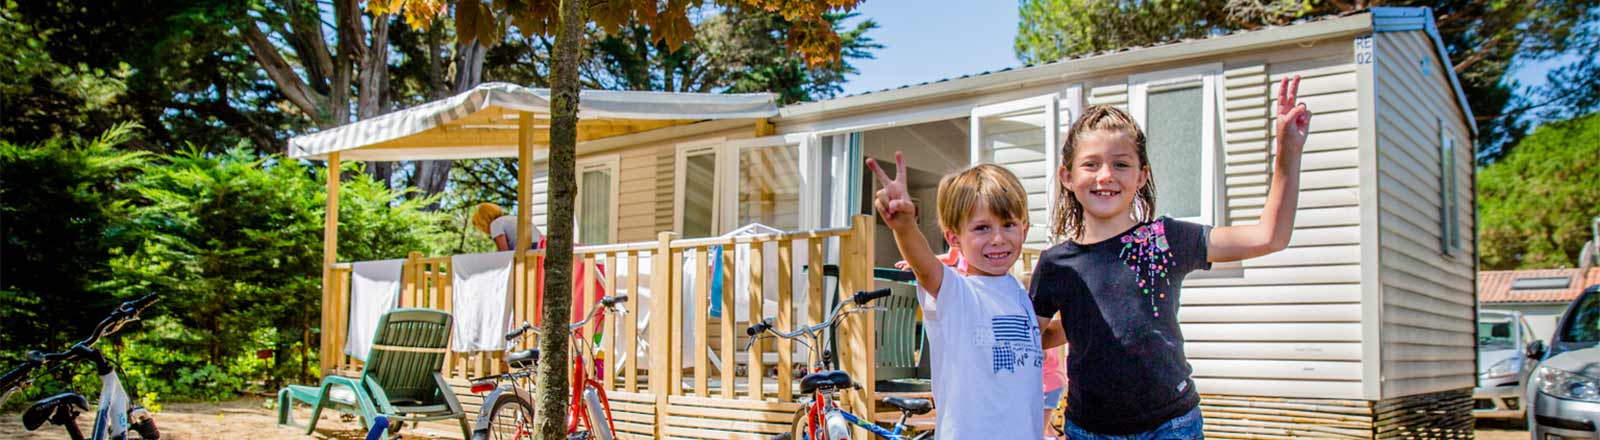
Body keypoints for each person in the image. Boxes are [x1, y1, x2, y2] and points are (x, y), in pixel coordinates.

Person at [1031, 76, 1312, 438]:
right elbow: (1029, 341)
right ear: (1067, 176)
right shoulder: (1056, 265)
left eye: (1120, 164)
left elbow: (1269, 236)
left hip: (1172, 426)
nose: (1106, 176)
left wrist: (1288, 150)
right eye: (1091, 164)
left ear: (1141, 174)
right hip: (1090, 430)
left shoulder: (1165, 239)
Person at [868, 154, 1043, 439]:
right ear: (953, 239)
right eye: (982, 228)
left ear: (1024, 228)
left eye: (1008, 224)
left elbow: (1035, 337)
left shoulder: (1018, 293)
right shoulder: (958, 292)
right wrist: (904, 226)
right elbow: (925, 268)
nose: (998, 238)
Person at [471, 203, 542, 251]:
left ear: (483, 221)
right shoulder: (508, 219)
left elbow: (504, 252)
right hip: (540, 246)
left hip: (528, 247)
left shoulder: (495, 224)